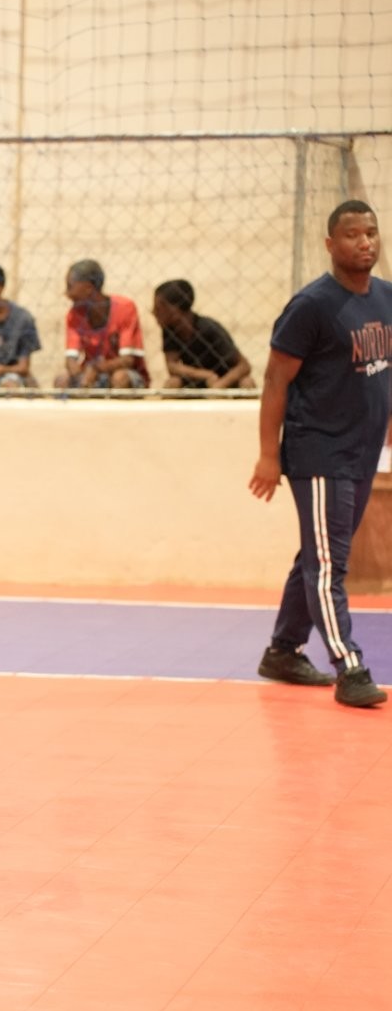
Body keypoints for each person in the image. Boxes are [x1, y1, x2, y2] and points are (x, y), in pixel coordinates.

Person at [250, 199, 392, 708]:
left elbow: (383, 367)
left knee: (321, 554)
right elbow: (275, 380)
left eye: (371, 232)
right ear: (331, 244)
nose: (364, 242)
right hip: (319, 451)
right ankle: (349, 665)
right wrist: (269, 455)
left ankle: (283, 651)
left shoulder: (386, 297)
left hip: (361, 451)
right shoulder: (311, 305)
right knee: (330, 564)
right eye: (352, 234)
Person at [54, 259, 149, 390]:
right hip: (91, 374)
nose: (67, 294)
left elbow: (127, 360)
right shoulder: (74, 314)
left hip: (123, 373)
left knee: (120, 378)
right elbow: (71, 358)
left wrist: (96, 368)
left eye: (70, 287)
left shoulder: (124, 307)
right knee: (62, 380)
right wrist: (76, 374)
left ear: (88, 288)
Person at [153, 279, 254, 389]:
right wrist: (205, 375)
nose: (153, 312)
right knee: (172, 383)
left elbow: (244, 366)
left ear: (174, 310)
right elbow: (172, 366)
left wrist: (220, 385)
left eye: (158, 308)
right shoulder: (170, 330)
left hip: (223, 378)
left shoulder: (208, 328)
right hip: (198, 380)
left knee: (247, 383)